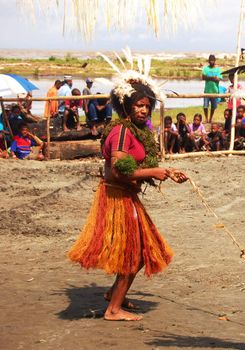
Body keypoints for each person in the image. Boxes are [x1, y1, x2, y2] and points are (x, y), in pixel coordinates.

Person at [68, 75, 188, 322]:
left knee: (143, 252)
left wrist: (168, 173)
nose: (144, 110)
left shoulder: (136, 131)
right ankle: (113, 310)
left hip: (127, 196)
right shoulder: (121, 132)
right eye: (138, 105)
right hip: (117, 198)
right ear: (126, 106)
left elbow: (139, 165)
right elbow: (118, 170)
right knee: (132, 255)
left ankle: (114, 293)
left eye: (147, 106)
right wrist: (155, 172)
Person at [202, 54, 222, 123]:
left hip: (215, 91)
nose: (211, 62)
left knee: (213, 107)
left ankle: (210, 118)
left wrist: (213, 78)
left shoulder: (218, 69)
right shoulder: (205, 69)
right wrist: (212, 78)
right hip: (207, 91)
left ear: (215, 61)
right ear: (208, 61)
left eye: (213, 60)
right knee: (205, 106)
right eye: (210, 60)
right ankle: (206, 118)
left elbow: (219, 79)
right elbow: (203, 77)